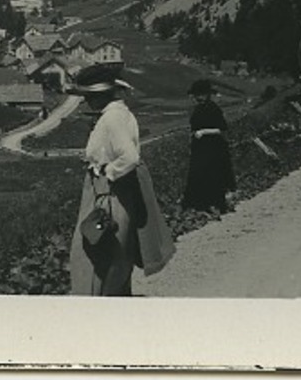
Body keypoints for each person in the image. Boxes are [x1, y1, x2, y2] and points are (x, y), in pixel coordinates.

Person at [68, 64, 175, 296]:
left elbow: (130, 157)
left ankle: (96, 306)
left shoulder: (111, 119)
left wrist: (107, 171)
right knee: (116, 252)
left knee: (92, 251)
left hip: (108, 193)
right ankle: (115, 299)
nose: (86, 101)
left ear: (99, 95)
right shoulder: (120, 113)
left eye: (88, 96)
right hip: (118, 192)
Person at [181, 78, 236, 213]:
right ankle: (202, 204)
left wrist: (203, 132)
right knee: (200, 174)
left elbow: (221, 129)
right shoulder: (198, 109)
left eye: (200, 94)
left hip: (213, 147)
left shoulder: (213, 108)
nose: (197, 97)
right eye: (196, 95)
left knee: (213, 174)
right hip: (200, 147)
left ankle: (216, 203)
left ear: (206, 94)